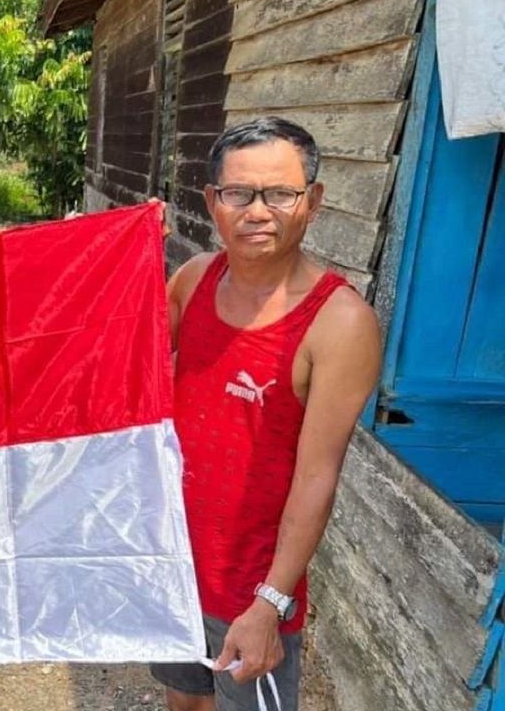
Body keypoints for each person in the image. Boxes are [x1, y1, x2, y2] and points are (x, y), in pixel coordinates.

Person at [151, 118, 382, 711]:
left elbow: (316, 476)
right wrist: (124, 254)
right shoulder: (195, 280)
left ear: (313, 202)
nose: (258, 211)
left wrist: (270, 604)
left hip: (252, 589)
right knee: (185, 701)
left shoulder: (339, 323)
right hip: (177, 562)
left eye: (280, 193)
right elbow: (124, 372)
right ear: (212, 201)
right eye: (239, 193)